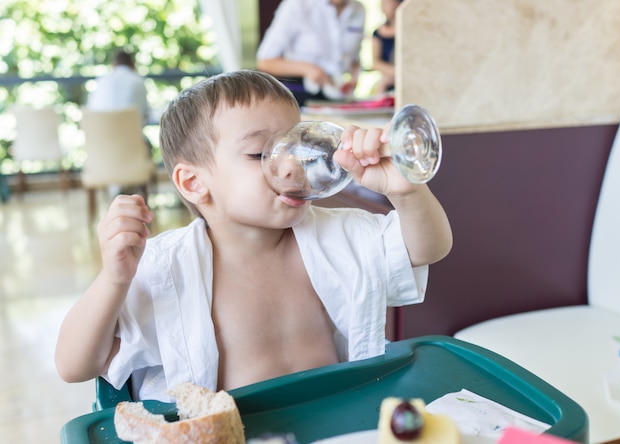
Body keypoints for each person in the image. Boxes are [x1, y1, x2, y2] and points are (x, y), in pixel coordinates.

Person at [55, 70, 452, 402]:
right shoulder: (165, 268)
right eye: (262, 153)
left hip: (336, 422)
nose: (291, 166)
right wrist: (115, 278)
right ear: (193, 182)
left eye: (298, 145)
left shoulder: (335, 235)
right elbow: (74, 365)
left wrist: (405, 190)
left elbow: (428, 248)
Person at [256, 0, 366, 106]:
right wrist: (309, 69)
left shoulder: (358, 9)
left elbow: (354, 57)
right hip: (303, 95)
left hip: (340, 96)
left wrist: (355, 76)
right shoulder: (297, 5)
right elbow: (265, 62)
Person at [87, 49, 151, 124]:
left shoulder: (101, 81)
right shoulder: (139, 81)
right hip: (129, 133)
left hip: (98, 133)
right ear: (133, 65)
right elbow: (145, 114)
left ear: (113, 65)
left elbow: (91, 108)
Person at [371, 0, 403, 94]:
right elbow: (375, 63)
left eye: (386, 4)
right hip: (387, 84)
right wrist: (396, 73)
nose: (383, 8)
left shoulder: (410, 32)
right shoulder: (378, 33)